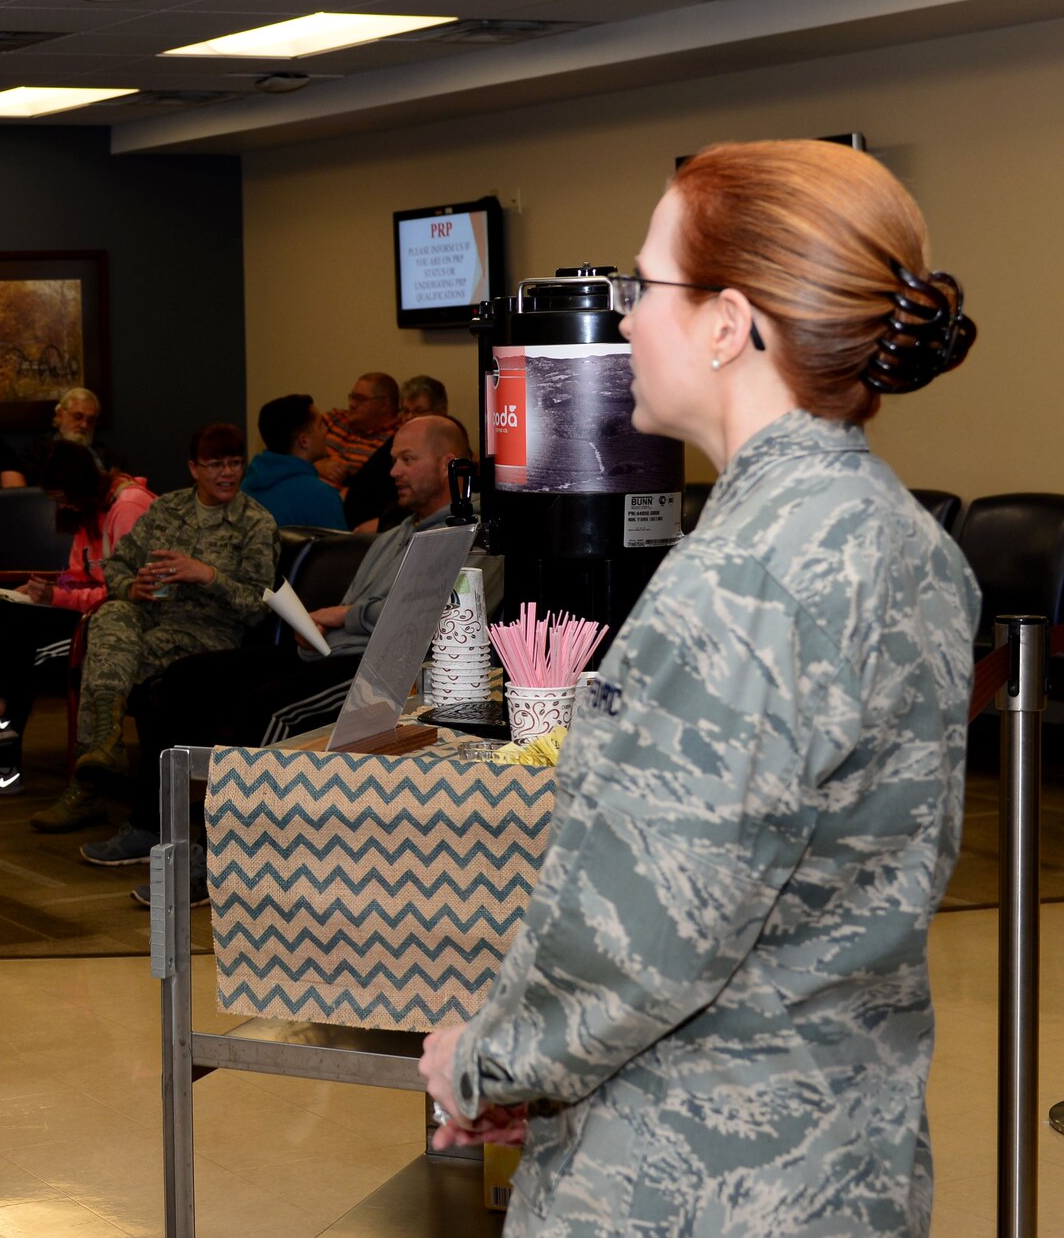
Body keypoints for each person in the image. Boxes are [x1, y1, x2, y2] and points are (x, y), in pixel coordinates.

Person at [419, 139, 979, 1235]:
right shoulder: (902, 541)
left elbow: (642, 930)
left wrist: (489, 1058)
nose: (625, 320)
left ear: (727, 325)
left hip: (684, 1176)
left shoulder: (736, 581)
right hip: (841, 1155)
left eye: (647, 287)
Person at [108, 415, 499, 905]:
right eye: (394, 458)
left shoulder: (477, 532)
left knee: (267, 706)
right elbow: (359, 613)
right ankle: (161, 833)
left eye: (406, 459)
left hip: (390, 670)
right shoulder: (395, 534)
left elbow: (431, 617)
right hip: (333, 652)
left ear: (449, 465)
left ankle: (231, 861)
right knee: (184, 679)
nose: (393, 470)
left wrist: (346, 615)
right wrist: (316, 627)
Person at [29, 424, 277, 835]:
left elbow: (258, 608)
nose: (227, 473)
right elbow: (119, 567)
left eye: (235, 463)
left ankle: (87, 782)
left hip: (208, 635)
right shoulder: (166, 509)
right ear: (194, 468)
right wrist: (132, 586)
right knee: (110, 617)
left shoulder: (255, 523)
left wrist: (208, 575)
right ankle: (106, 743)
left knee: (113, 657)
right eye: (215, 464)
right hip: (151, 615)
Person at [0, 441, 153, 796]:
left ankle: (0, 756)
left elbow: (126, 590)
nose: (62, 507)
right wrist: (50, 585)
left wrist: (57, 596)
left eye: (64, 498)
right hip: (91, 610)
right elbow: (80, 571)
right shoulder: (88, 509)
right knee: (16, 609)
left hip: (121, 621)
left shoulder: (128, 508)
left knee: (23, 651)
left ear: (83, 487)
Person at [345, 373, 450, 530]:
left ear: (440, 411)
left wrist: (382, 524)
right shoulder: (401, 438)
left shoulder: (446, 440)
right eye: (406, 411)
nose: (410, 418)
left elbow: (424, 494)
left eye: (418, 411)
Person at [242, 393, 346, 530]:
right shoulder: (320, 496)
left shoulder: (244, 488)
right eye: (320, 425)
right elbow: (342, 551)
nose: (326, 430)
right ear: (304, 441)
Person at [314, 371, 400, 490]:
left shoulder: (396, 439)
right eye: (352, 397)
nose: (352, 404)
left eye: (360, 399)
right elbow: (295, 447)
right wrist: (316, 466)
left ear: (384, 404)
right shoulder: (335, 418)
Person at [20, 385, 124, 475]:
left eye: (90, 420)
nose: (84, 425)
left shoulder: (107, 455)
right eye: (78, 416)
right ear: (60, 415)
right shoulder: (36, 452)